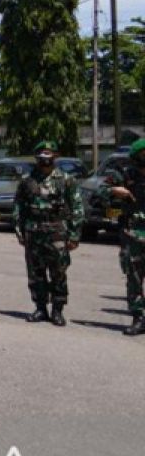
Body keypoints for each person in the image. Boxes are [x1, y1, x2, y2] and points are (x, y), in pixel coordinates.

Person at [13, 141, 83, 326]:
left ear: (55, 156)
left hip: (57, 233)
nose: (45, 158)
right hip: (33, 233)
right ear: (36, 157)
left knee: (58, 274)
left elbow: (77, 207)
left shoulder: (67, 180)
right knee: (36, 274)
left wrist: (75, 235)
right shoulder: (27, 181)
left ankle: (57, 310)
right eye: (42, 154)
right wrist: (19, 230)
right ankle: (40, 308)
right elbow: (18, 206)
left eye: (49, 154)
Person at [104, 139, 145, 335]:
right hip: (133, 233)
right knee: (134, 278)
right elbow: (100, 191)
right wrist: (113, 190)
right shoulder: (125, 173)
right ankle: (139, 317)